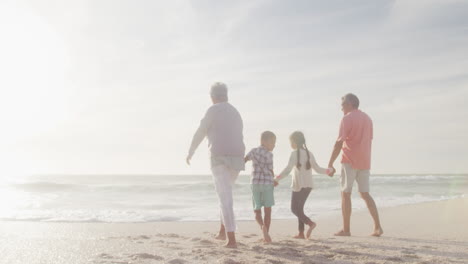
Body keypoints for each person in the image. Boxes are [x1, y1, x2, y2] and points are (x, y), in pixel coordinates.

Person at [186, 82, 245, 248]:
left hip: (219, 157)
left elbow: (201, 131)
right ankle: (222, 231)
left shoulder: (212, 110)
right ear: (226, 95)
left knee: (224, 197)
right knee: (225, 194)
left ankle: (231, 239)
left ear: (212, 97)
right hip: (237, 158)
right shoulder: (235, 111)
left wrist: (191, 151)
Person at [327, 93, 384, 237]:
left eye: (343, 105)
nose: (341, 108)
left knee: (345, 194)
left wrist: (330, 163)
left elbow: (339, 142)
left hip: (349, 160)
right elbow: (368, 140)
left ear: (350, 103)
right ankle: (378, 227)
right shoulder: (368, 119)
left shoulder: (347, 119)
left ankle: (346, 229)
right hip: (365, 161)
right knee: (365, 194)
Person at [275, 131, 331, 239]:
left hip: (298, 185)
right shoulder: (309, 153)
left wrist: (277, 178)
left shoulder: (294, 153)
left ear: (294, 142)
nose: (290, 144)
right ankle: (301, 233)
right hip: (308, 185)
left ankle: (310, 223)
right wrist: (329, 171)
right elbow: (318, 169)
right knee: (299, 209)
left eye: (290, 142)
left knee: (294, 209)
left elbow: (287, 170)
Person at [245, 131, 278, 244]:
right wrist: (273, 179)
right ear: (264, 141)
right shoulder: (269, 155)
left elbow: (244, 159)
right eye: (272, 142)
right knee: (268, 211)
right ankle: (266, 234)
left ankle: (262, 227)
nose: (274, 145)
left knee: (257, 211)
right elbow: (270, 170)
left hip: (255, 184)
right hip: (267, 184)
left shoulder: (254, 151)